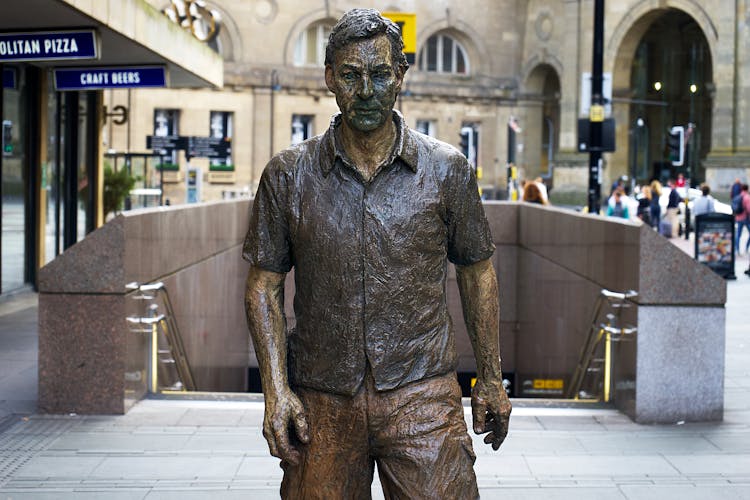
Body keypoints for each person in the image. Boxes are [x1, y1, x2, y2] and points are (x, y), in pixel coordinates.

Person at [242, 9, 511, 499]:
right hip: (322, 397)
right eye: (350, 75)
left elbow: (478, 272)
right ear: (329, 78)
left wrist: (491, 378)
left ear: (400, 76)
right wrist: (275, 391)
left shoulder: (447, 170)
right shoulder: (288, 175)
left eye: (380, 73)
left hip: (422, 393)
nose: (366, 90)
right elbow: (264, 285)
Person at [735, 184, 750, 255]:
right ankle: (746, 248)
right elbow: (749, 209)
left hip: (738, 217)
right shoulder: (747, 197)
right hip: (746, 218)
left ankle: (737, 250)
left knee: (738, 234)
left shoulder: (738, 196)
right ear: (747, 189)